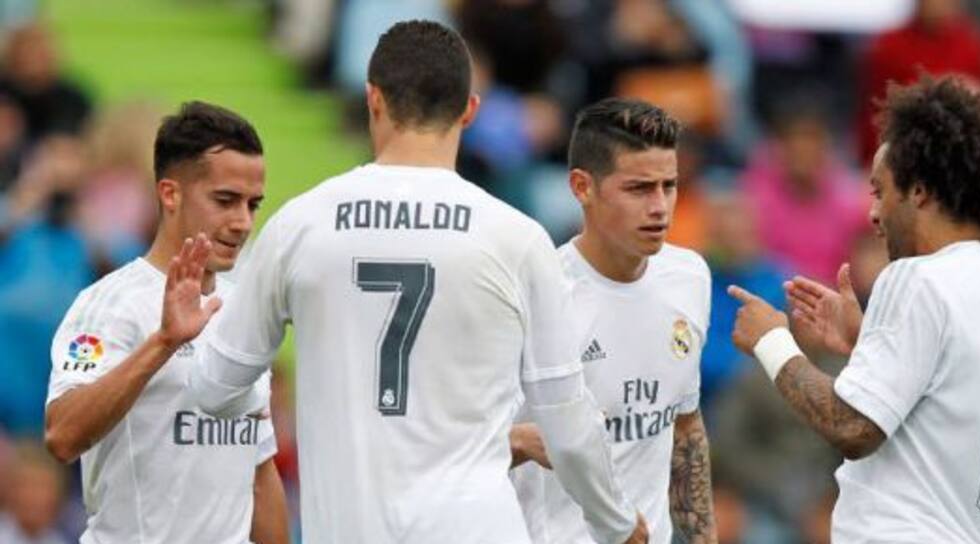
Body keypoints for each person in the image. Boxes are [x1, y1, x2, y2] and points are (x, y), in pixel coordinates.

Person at [185, 20, 646, 544]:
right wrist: (616, 523)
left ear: (373, 99)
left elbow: (213, 389)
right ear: (469, 109)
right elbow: (565, 417)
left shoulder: (300, 225)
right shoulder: (516, 237)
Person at [727, 75, 980, 543]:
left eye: (880, 191)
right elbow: (950, 398)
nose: (873, 213)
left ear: (918, 191)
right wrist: (869, 342)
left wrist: (772, 341)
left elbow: (852, 426)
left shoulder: (918, 278)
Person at [41, 101, 288, 544]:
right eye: (225, 200)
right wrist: (164, 342)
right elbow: (62, 435)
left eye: (253, 205)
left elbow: (258, 470)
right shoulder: (109, 305)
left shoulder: (244, 309)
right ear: (170, 194)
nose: (242, 222)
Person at [510, 98, 716, 544]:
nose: (660, 207)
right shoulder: (538, 296)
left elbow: (684, 426)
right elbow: (463, 445)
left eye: (669, 185)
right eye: (639, 189)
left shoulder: (689, 277)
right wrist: (520, 442)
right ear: (582, 187)